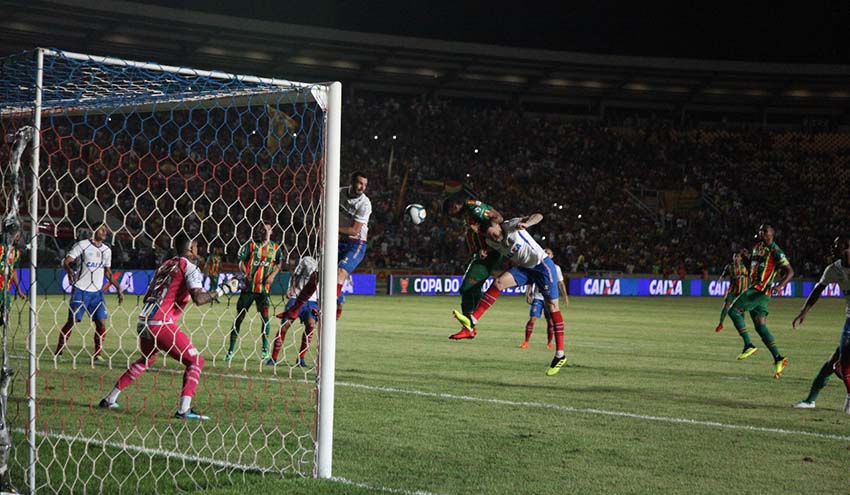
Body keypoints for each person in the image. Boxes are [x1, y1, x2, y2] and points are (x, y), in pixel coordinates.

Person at [99, 234, 238, 420]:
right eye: (197, 246)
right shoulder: (189, 267)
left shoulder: (166, 264)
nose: (198, 250)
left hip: (144, 320)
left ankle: (110, 398)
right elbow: (198, 299)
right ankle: (183, 410)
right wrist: (223, 290)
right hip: (161, 323)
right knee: (196, 361)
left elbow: (149, 294)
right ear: (191, 248)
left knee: (147, 359)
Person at [453, 214, 568, 376]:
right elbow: (485, 247)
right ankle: (472, 321)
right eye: (491, 236)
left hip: (542, 265)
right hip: (525, 269)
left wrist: (527, 223)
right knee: (498, 283)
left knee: (553, 307)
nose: (495, 237)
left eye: (494, 233)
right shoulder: (491, 241)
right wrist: (482, 252)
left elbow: (539, 216)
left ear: (498, 225)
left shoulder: (510, 225)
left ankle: (560, 355)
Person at [279, 171, 371, 328]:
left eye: (364, 185)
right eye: (359, 183)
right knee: (317, 275)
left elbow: (354, 230)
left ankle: (325, 309)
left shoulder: (364, 204)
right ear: (351, 181)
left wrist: (329, 229)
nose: (362, 187)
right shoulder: (338, 193)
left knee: (340, 272)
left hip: (356, 244)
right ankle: (295, 309)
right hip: (337, 240)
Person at [791, 236, 850, 413]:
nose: (836, 249)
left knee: (841, 365)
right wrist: (804, 310)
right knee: (833, 364)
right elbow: (818, 288)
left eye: (841, 246)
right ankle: (810, 400)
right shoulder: (834, 269)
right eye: (836, 247)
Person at [726, 224, 794, 378]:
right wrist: (745, 257)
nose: (761, 232)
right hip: (757, 289)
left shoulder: (776, 251)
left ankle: (748, 344)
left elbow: (790, 272)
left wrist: (780, 286)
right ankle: (779, 358)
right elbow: (752, 268)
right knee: (760, 327)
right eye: (760, 230)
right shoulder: (757, 247)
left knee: (733, 311)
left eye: (765, 230)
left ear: (771, 233)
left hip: (760, 290)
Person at [54, 224, 124, 361]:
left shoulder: (106, 250)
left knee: (101, 323)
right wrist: (69, 271)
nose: (105, 232)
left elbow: (107, 272)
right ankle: (59, 353)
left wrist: (118, 288)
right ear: (94, 230)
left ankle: (98, 354)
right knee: (72, 321)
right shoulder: (82, 245)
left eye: (106, 230)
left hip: (97, 293)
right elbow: (66, 261)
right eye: (102, 229)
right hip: (80, 290)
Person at [442, 193, 504, 340]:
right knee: (473, 290)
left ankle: (469, 326)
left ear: (455, 206)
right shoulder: (467, 213)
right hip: (482, 254)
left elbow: (497, 218)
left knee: (467, 289)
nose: (452, 215)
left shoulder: (473, 208)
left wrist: (488, 244)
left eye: (451, 211)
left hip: (489, 254)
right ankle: (470, 326)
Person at [224, 223, 282, 362]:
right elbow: (240, 262)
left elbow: (279, 264)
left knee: (265, 319)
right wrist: (246, 273)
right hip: (248, 289)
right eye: (263, 229)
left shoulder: (276, 248)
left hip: (263, 290)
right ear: (259, 231)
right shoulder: (251, 245)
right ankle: (230, 350)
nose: (265, 231)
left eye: (268, 229)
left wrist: (272, 276)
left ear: (271, 232)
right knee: (239, 318)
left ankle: (265, 349)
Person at [269, 255, 319, 367]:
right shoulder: (307, 260)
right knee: (285, 325)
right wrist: (290, 288)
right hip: (297, 296)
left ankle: (301, 359)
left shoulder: (331, 263)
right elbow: (296, 275)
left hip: (313, 300)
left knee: (311, 325)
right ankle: (273, 357)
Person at [521, 248, 568, 349]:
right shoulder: (537, 266)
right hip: (537, 297)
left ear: (552, 256)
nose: (546, 254)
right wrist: (528, 294)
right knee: (533, 318)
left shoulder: (556, 268)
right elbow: (531, 281)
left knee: (550, 321)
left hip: (550, 298)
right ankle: (526, 341)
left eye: (548, 253)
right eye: (545, 252)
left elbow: (561, 283)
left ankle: (549, 342)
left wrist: (565, 297)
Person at [714, 250, 748, 332]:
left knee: (741, 308)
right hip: (732, 289)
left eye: (738, 256)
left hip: (742, 290)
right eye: (735, 256)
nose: (736, 258)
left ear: (741, 258)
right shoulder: (729, 267)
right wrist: (720, 279)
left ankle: (742, 325)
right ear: (733, 258)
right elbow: (723, 275)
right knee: (726, 305)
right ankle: (721, 324)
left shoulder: (745, 266)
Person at [0, 232, 25, 326]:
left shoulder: (16, 253)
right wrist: (2, 271)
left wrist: (19, 290)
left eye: (19, 236)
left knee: (5, 318)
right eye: (16, 236)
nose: (18, 238)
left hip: (5, 289)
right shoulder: (1, 248)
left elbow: (13, 271)